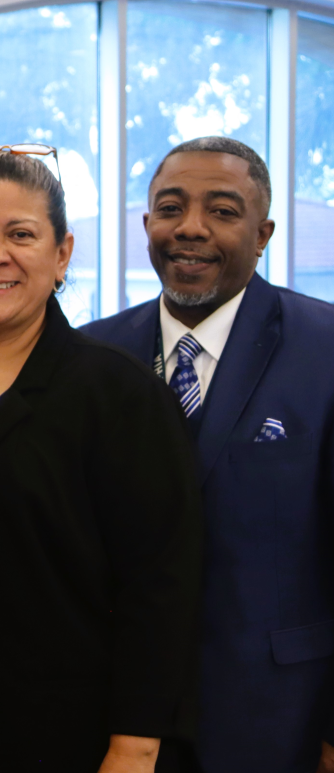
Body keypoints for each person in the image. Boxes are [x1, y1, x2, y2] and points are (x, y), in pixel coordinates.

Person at [0, 149, 203, 773]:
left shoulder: (118, 394)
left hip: (44, 727)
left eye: (21, 234)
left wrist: (133, 748)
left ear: (62, 255)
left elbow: (160, 589)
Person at [83, 136, 334, 773]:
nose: (189, 229)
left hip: (279, 719)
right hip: (117, 721)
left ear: (263, 232)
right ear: (147, 226)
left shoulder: (325, 350)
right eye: (171, 208)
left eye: (222, 211)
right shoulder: (92, 357)